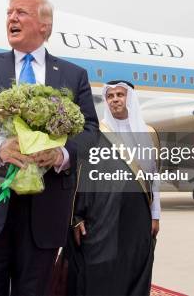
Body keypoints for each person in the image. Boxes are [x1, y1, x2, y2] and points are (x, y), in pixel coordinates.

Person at [0, 0, 99, 296]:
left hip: (44, 212)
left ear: (44, 25)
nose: (11, 18)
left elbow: (91, 131)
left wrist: (60, 154)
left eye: (21, 12)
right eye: (9, 13)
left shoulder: (73, 75)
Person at [66, 80, 159, 295]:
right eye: (110, 96)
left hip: (137, 214)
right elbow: (80, 176)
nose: (115, 99)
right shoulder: (95, 133)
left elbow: (153, 178)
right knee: (101, 265)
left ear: (131, 99)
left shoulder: (149, 134)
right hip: (101, 214)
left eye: (120, 94)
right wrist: (76, 216)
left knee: (134, 262)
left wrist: (155, 216)